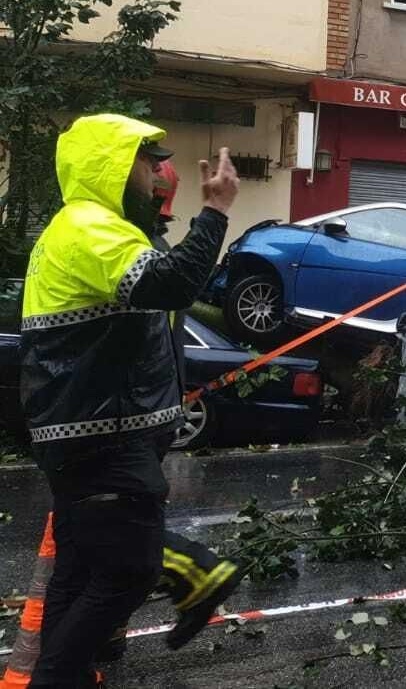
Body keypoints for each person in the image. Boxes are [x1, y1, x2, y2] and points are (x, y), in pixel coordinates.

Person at [22, 115, 243, 686]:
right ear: (115, 167)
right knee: (129, 570)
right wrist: (216, 210)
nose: (156, 174)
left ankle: (58, 678)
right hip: (102, 434)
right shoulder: (91, 229)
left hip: (84, 432)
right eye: (148, 163)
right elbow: (171, 283)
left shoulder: (81, 228)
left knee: (80, 571)